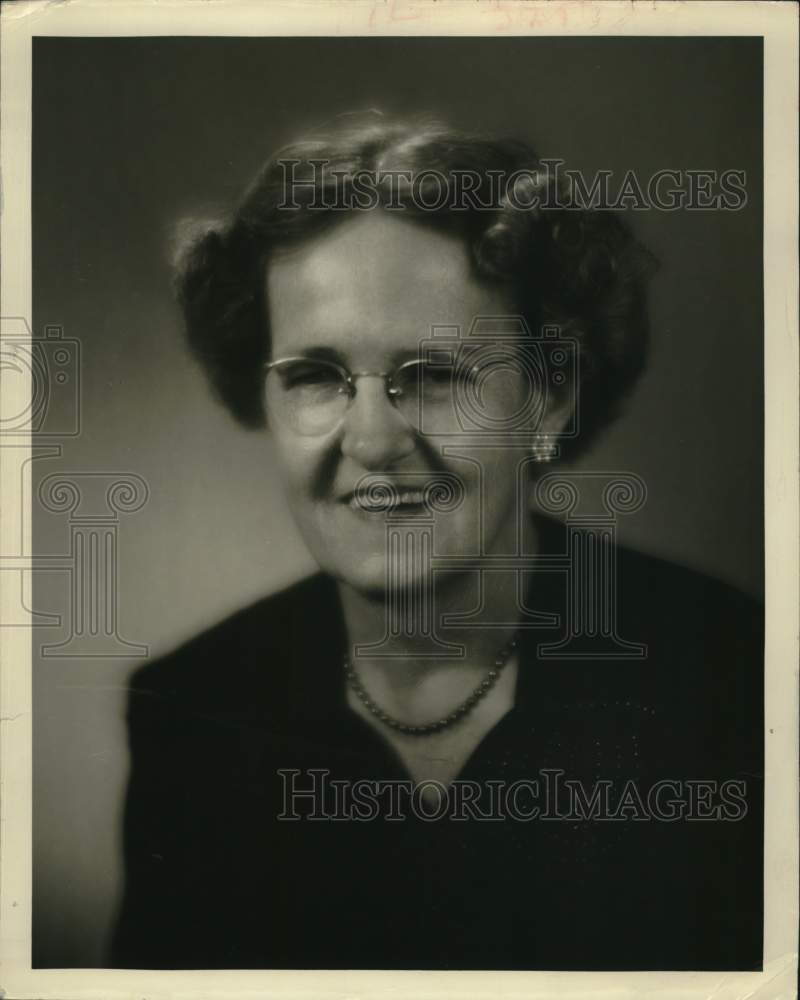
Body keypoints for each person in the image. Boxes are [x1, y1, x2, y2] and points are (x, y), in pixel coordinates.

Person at [111, 113, 763, 970]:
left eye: (435, 374)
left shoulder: (727, 679)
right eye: (314, 375)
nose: (372, 441)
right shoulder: (194, 710)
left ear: (550, 397)